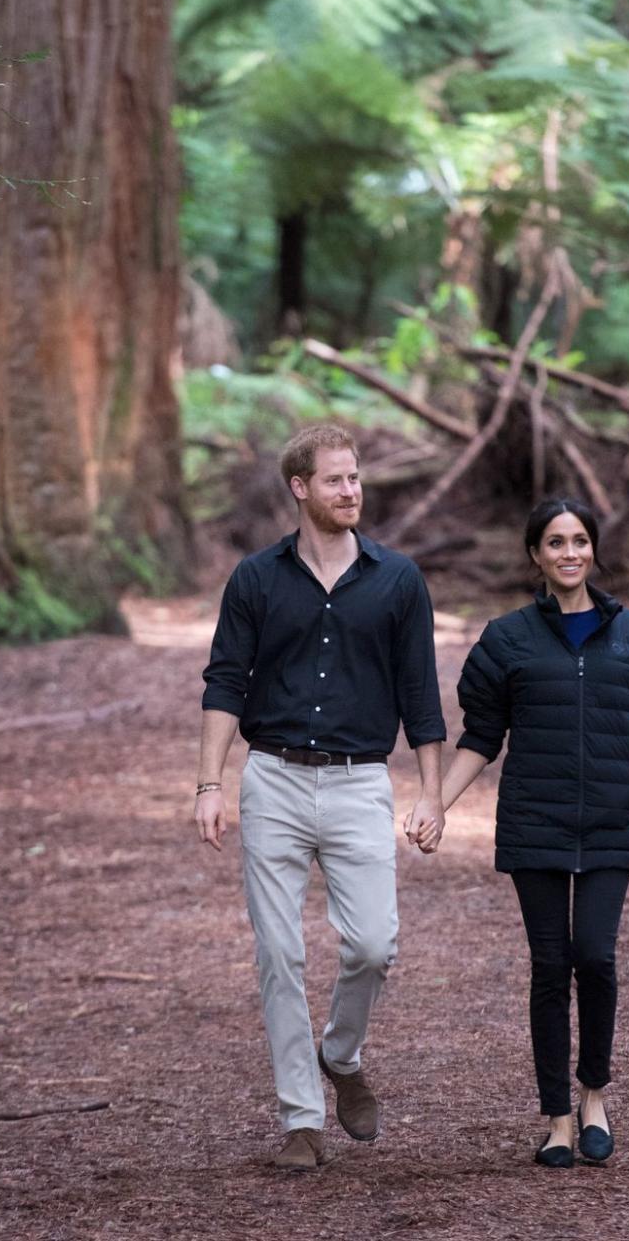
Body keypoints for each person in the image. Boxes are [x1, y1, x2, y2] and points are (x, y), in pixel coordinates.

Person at [195, 422, 446, 1172]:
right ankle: (301, 1116)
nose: (352, 490)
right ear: (299, 487)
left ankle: (340, 1052)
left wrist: (432, 793)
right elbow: (224, 682)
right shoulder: (255, 580)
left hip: (359, 780)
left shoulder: (398, 581)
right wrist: (211, 781)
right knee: (278, 952)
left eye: (356, 477)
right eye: (336, 479)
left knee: (374, 944)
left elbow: (421, 696)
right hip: (271, 777)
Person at [408, 498, 629, 1168]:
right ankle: (556, 1115)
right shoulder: (508, 639)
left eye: (580, 540)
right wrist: (435, 802)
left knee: (597, 955)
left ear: (593, 550)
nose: (569, 553)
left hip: (611, 821)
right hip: (536, 822)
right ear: (535, 554)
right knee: (551, 965)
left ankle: (594, 1097)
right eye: (555, 542)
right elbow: (480, 736)